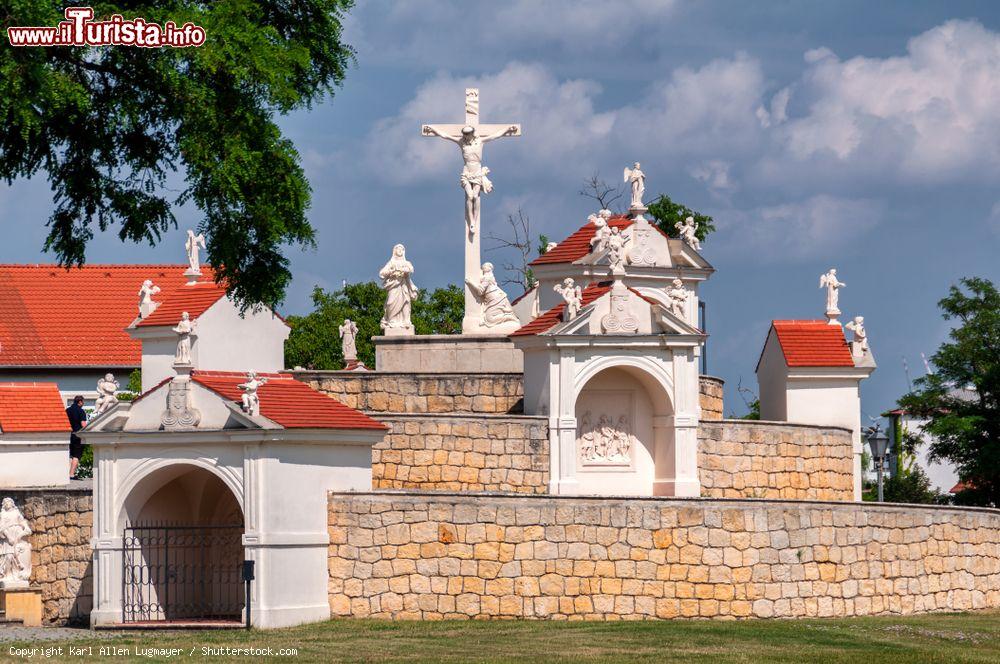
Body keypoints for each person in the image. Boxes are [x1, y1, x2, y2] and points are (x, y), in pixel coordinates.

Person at [66, 395, 87, 479]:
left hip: (69, 435)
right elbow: (83, 425)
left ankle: (67, 474)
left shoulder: (67, 410)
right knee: (77, 455)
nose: (83, 404)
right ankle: (71, 474)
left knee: (70, 455)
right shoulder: (81, 411)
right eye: (83, 402)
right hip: (78, 436)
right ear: (80, 402)